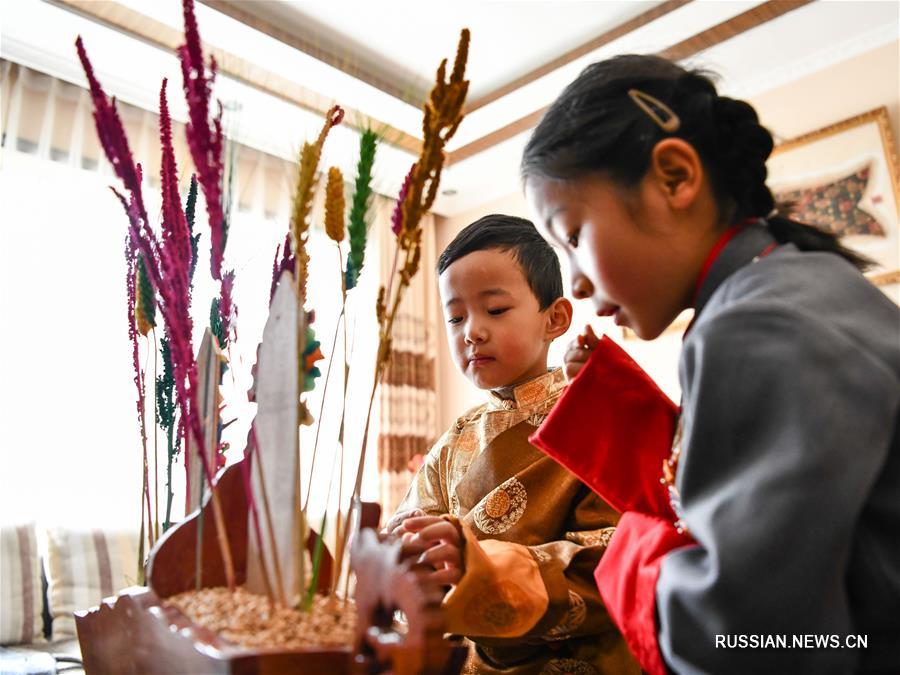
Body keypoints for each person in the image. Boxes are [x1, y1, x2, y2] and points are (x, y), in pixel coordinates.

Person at [520, 54, 900, 674]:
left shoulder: (757, 324)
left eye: (574, 236)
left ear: (674, 177)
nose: (578, 284)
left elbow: (751, 638)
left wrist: (632, 559)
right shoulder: (791, 287)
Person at [386, 214, 640, 674]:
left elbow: (618, 559)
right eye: (455, 316)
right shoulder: (456, 438)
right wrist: (407, 554)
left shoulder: (594, 417)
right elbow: (413, 526)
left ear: (555, 318)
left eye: (495, 310)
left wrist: (478, 570)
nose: (472, 332)